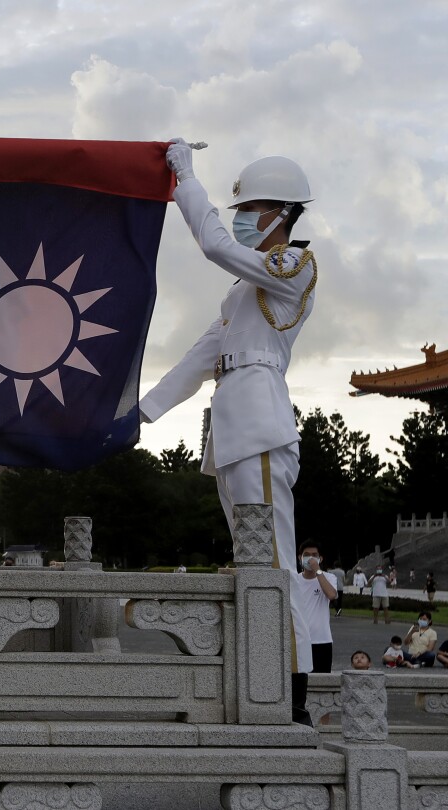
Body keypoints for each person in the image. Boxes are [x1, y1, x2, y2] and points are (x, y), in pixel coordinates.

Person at [142, 144, 318, 725]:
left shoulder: (294, 266)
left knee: (273, 563)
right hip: (235, 424)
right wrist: (140, 416)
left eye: (254, 208)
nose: (244, 217)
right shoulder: (242, 292)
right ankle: (263, 680)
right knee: (254, 563)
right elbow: (200, 357)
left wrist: (185, 182)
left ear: (283, 216)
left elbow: (216, 244)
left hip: (260, 422)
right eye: (241, 207)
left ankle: (289, 694)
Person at [292, 542, 337, 675]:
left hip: (322, 640)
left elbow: (331, 595)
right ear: (300, 557)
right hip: (299, 640)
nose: (310, 559)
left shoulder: (329, 577)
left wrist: (317, 570)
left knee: (321, 682)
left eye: (314, 555)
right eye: (306, 555)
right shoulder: (294, 580)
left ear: (320, 558)